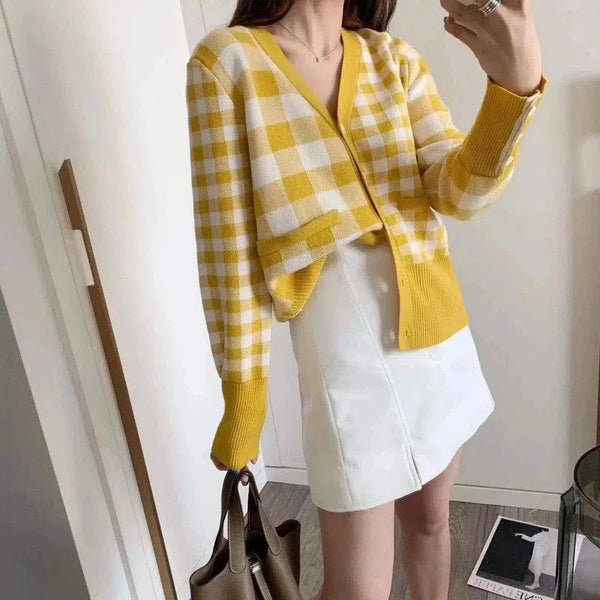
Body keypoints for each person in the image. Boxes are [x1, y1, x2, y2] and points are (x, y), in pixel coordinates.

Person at [185, 1, 545, 598]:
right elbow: (228, 255)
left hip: (435, 331)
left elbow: (457, 193)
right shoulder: (228, 63)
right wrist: (243, 402)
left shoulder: (392, 59)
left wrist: (513, 89)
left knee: (430, 523)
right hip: (342, 355)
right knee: (358, 589)